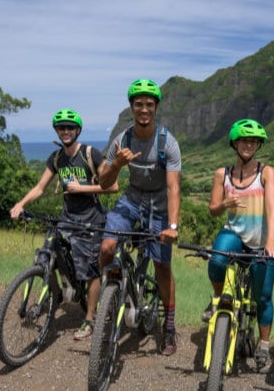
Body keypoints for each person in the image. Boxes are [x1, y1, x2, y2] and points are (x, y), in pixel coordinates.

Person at [10, 109, 118, 341]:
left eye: (70, 127)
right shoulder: (57, 158)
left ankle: (89, 318)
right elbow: (40, 188)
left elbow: (112, 186)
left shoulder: (90, 153)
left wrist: (82, 188)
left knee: (90, 270)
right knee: (50, 251)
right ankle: (58, 292)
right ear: (57, 131)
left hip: (91, 220)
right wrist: (20, 204)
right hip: (67, 218)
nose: (65, 131)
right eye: (61, 128)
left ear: (77, 130)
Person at [99, 79, 181, 356]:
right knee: (107, 248)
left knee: (162, 266)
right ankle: (108, 300)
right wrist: (117, 164)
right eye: (138, 104)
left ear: (155, 107)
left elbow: (173, 187)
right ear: (132, 107)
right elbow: (103, 181)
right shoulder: (122, 140)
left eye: (149, 104)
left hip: (159, 205)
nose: (144, 109)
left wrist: (172, 226)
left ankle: (169, 327)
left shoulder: (167, 142)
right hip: (131, 200)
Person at [201, 118, 274, 373]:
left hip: (261, 240)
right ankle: (216, 299)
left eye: (254, 141)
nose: (249, 145)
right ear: (234, 143)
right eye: (244, 140)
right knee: (216, 260)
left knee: (263, 297)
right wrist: (225, 204)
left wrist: (270, 241)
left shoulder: (266, 172)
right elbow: (213, 210)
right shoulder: (222, 174)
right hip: (234, 233)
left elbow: (272, 207)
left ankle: (264, 346)